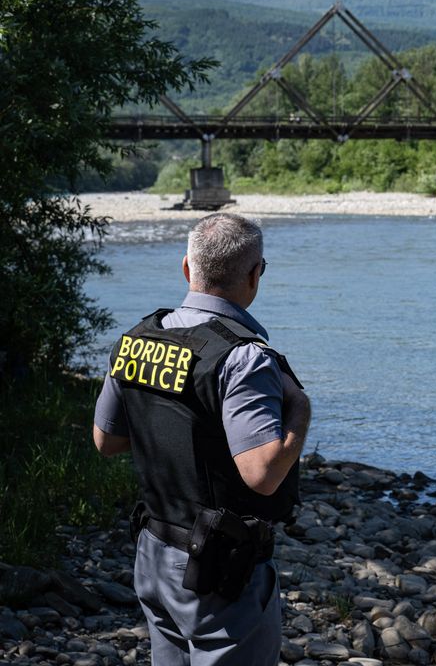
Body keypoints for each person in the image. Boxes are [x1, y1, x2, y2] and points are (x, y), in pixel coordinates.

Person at [93, 212, 311, 666]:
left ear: (187, 268)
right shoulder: (245, 358)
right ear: (256, 275)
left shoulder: (136, 339)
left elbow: (106, 441)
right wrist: (301, 410)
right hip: (220, 572)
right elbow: (263, 476)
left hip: (154, 554)